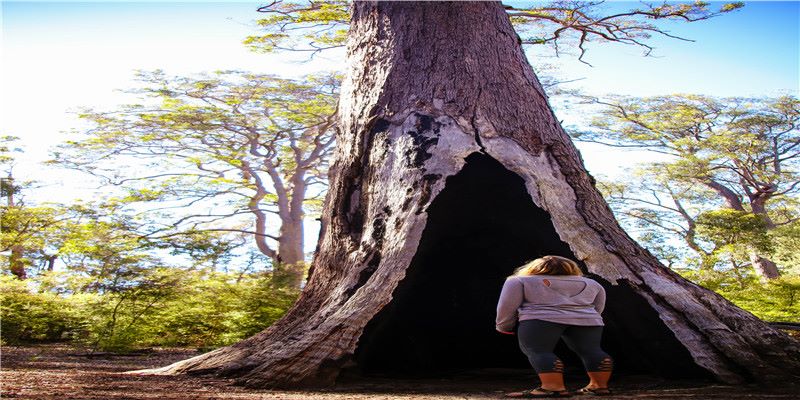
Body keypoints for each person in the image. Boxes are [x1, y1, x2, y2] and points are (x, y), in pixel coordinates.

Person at [496, 255, 613, 398]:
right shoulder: (592, 283)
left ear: (533, 267)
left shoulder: (518, 280)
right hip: (588, 320)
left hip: (540, 319)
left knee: (539, 351)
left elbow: (507, 307)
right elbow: (598, 307)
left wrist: (503, 326)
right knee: (591, 350)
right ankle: (599, 386)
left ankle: (553, 387)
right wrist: (585, 318)